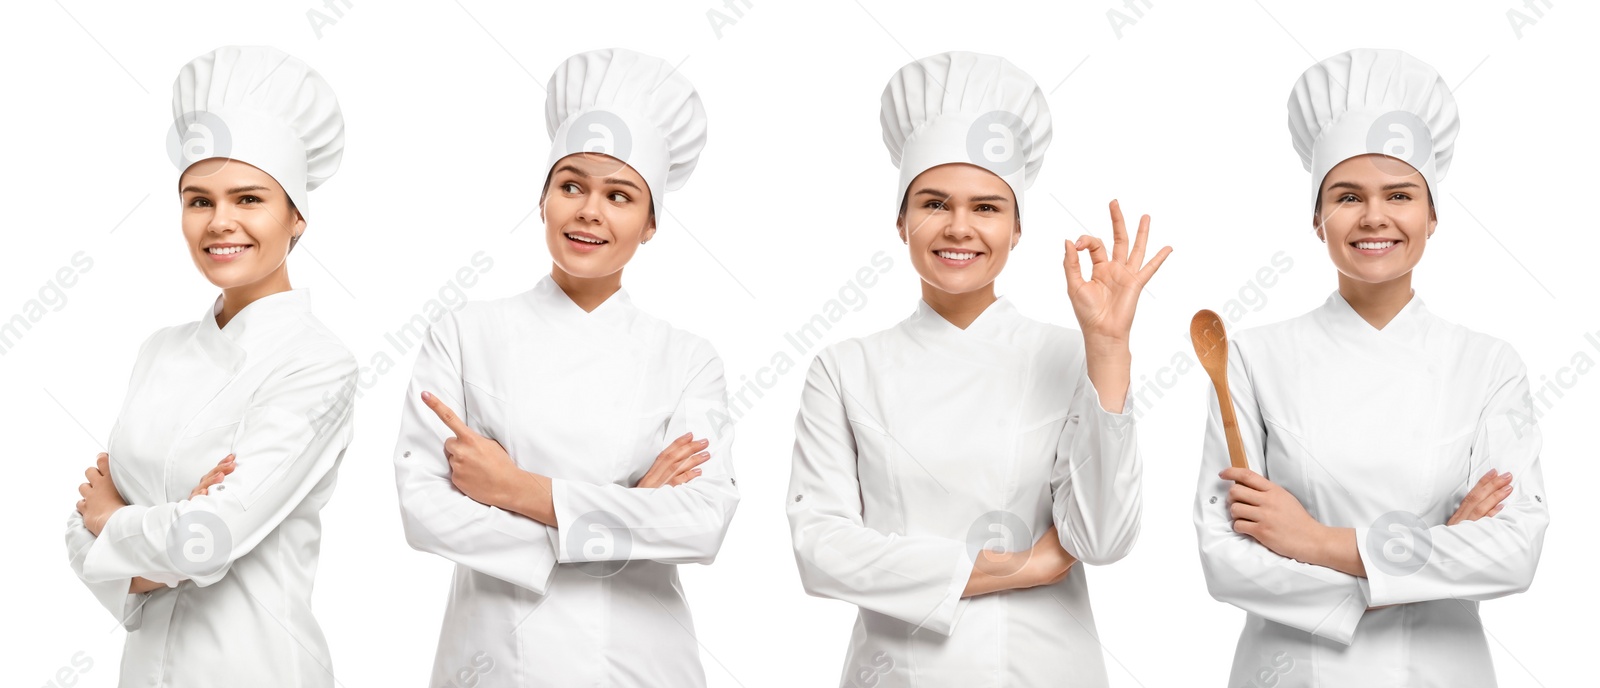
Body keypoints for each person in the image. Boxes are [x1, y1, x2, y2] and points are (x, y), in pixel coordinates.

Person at [787, 51, 1170, 686]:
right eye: (935, 203)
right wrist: (1024, 568)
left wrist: (1108, 346)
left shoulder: (1071, 354)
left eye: (988, 208)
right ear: (902, 220)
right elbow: (822, 552)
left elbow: (1101, 540)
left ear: (1018, 229)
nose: (959, 227)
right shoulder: (845, 369)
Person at [1193, 48, 1550, 686]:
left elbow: (1514, 552)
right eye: (1348, 195)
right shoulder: (1250, 357)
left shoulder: (1489, 365)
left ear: (1433, 215)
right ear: (1317, 218)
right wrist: (1433, 553)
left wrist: (1316, 542)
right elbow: (1226, 559)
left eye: (1400, 194)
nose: (1374, 216)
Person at [393, 48, 739, 687]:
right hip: (493, 660)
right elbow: (423, 507)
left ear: (650, 223)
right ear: (545, 198)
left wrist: (517, 492)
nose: (589, 211)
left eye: (620, 195)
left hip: (640, 663)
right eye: (571, 185)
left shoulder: (687, 358)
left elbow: (702, 522)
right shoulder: (465, 334)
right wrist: (625, 514)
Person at [66, 45, 357, 686]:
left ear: (297, 217)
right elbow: (75, 536)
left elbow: (210, 537)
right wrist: (163, 532)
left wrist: (113, 519)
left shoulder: (318, 366)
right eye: (198, 200)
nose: (219, 222)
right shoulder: (159, 350)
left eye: (248, 199)